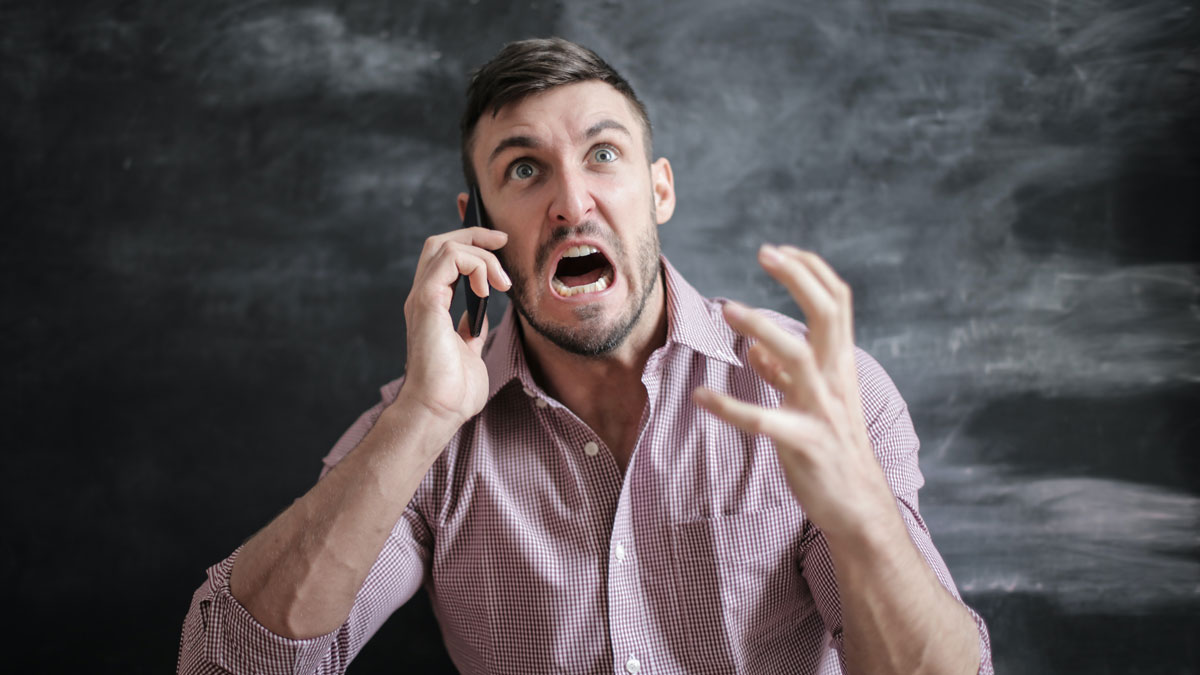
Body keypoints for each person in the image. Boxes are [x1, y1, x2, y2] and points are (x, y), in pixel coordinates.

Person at [178, 37, 993, 675]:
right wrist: (422, 418)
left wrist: (861, 517)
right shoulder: (427, 431)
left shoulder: (819, 395)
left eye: (603, 154)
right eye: (525, 169)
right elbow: (225, 664)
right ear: (476, 220)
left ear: (659, 188)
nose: (572, 202)